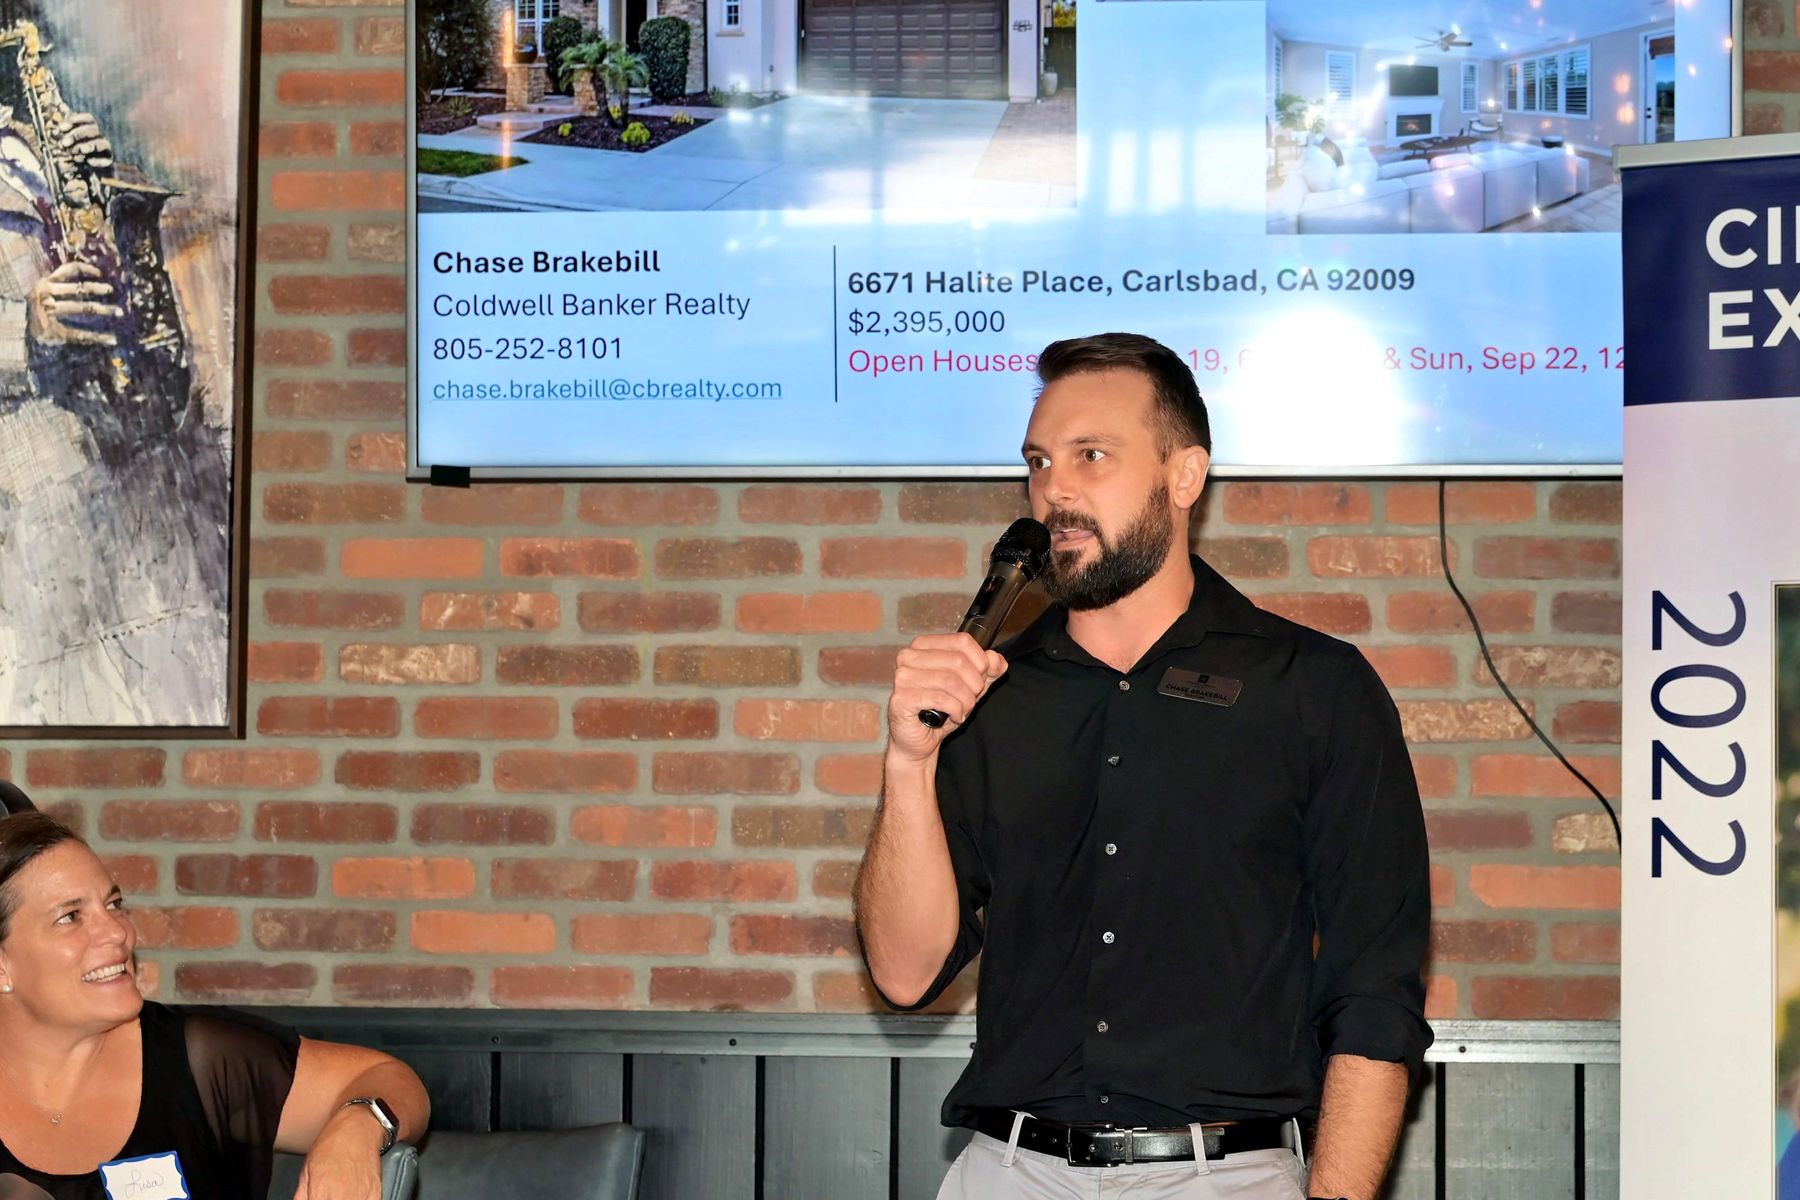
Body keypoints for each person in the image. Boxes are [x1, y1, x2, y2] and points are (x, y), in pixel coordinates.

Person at [855, 333, 1432, 1200]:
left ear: (1185, 475)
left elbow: (1375, 993)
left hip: (1224, 1178)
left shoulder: (1312, 688)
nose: (1056, 489)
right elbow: (904, 974)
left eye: (1092, 455)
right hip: (1009, 1172)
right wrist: (908, 762)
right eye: (1039, 461)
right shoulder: (990, 695)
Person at [0, 782, 431, 1200]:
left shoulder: (196, 1060)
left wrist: (358, 1126)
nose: (117, 931)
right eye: (71, 917)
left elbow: (394, 1079)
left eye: (113, 904)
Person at [0, 4, 233, 726]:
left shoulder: (24, 134)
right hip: (44, 501)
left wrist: (100, 187)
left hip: (144, 460)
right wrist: (28, 326)